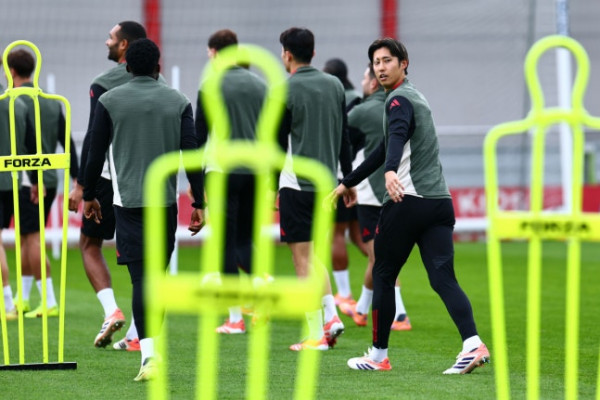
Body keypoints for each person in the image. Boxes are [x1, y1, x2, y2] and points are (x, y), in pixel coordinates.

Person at [331, 38, 489, 374]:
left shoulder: (398, 100)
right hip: (439, 203)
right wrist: (349, 181)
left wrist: (390, 172)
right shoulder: (414, 96)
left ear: (404, 63)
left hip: (407, 202)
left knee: (383, 274)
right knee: (443, 278)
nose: (381, 67)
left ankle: (377, 357)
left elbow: (397, 137)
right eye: (376, 62)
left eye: (387, 60)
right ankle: (472, 343)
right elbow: (383, 149)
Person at [82, 38, 205, 381]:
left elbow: (95, 152)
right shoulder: (179, 101)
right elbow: (191, 154)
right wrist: (199, 202)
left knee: (141, 281)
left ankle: (149, 356)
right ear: (157, 67)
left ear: (127, 67)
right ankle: (152, 352)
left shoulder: (109, 101)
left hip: (127, 203)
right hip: (164, 203)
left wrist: (89, 193)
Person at [68, 21, 155, 350]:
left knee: (89, 245)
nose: (107, 41)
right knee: (144, 257)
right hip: (149, 180)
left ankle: (111, 310)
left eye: (111, 37)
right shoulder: (160, 84)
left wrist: (82, 186)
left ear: (124, 45)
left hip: (108, 178)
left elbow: (94, 137)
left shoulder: (103, 84)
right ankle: (137, 334)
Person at [277, 27, 353, 351]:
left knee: (301, 260)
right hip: (328, 185)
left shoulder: (284, 89)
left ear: (287, 55)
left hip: (296, 184)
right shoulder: (335, 85)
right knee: (313, 256)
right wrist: (348, 179)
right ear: (314, 52)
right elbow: (344, 134)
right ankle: (331, 317)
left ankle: (315, 334)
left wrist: (271, 186)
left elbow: (276, 143)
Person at [195, 29, 267, 334]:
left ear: (214, 52)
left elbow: (199, 138)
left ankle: (235, 317)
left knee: (224, 243)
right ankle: (261, 292)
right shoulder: (261, 85)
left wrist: (196, 184)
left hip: (222, 171)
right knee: (245, 240)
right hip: (256, 170)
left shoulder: (210, 84)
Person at [337, 63, 411, 331]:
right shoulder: (403, 106)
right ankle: (360, 309)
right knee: (380, 256)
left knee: (379, 256)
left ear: (372, 83)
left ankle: (399, 316)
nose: (362, 82)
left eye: (365, 77)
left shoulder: (362, 111)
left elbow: (338, 134)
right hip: (399, 189)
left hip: (370, 192)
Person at [6, 49, 79, 319]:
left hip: (28, 179)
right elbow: (67, 140)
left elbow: (23, 142)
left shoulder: (13, 100)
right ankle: (24, 298)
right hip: (48, 177)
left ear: (11, 71)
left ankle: (48, 300)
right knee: (25, 237)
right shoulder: (50, 100)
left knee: (32, 238)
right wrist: (76, 178)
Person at [322, 58, 368, 308]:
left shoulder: (334, 99)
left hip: (341, 175)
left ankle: (344, 293)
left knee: (336, 233)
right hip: (362, 176)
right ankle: (390, 281)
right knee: (360, 236)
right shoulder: (360, 99)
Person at [0, 66, 35, 321]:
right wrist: (34, 180)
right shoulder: (18, 103)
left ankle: (7, 302)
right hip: (14, 181)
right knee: (24, 239)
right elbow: (31, 146)